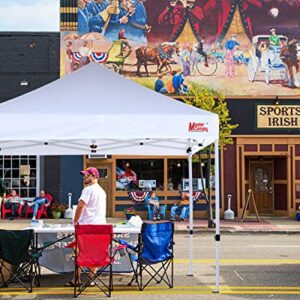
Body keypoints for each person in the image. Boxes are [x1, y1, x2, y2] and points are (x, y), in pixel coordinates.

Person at [65, 167, 106, 287]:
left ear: (94, 177)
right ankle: (91, 279)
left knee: (79, 252)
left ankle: (76, 279)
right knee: (93, 253)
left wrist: (75, 221)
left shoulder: (88, 190)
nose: (84, 178)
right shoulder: (102, 191)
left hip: (87, 227)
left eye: (87, 176)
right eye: (84, 175)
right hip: (100, 227)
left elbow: (80, 206)